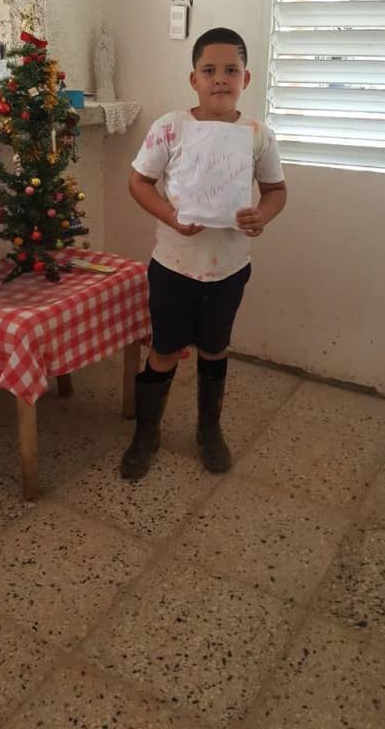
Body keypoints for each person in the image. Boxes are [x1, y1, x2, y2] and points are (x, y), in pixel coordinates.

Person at [120, 27, 286, 479]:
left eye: (231, 70)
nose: (220, 79)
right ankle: (147, 433)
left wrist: (262, 215)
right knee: (164, 350)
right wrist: (171, 217)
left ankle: (209, 430)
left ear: (245, 78)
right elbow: (138, 182)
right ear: (194, 79)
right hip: (173, 267)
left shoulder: (258, 135)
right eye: (209, 70)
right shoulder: (169, 127)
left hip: (229, 269)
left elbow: (275, 190)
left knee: (215, 349)